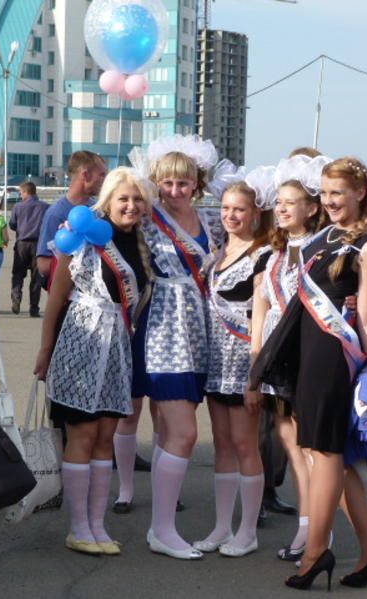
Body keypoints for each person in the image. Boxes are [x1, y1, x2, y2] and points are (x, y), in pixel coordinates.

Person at [252, 157, 367, 591]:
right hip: (305, 354)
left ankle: (315, 553)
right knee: (332, 457)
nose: (329, 201)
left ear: (360, 194)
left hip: (334, 356)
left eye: (338, 193)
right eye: (325, 193)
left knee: (325, 452)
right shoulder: (319, 238)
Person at [34, 167, 154, 556]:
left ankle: (98, 526)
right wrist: (46, 350)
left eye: (137, 199)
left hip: (117, 347)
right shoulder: (86, 237)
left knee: (106, 437)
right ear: (107, 201)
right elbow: (56, 297)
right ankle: (78, 527)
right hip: (81, 341)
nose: (131, 206)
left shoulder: (143, 243)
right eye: (123, 199)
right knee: (82, 434)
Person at [132, 135, 221, 560]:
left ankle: (162, 525)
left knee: (172, 433)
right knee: (184, 433)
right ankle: (162, 529)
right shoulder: (146, 218)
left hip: (202, 332)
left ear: (196, 183)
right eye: (166, 182)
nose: (174, 190)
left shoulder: (213, 220)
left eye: (182, 182)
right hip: (164, 332)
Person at [250, 154, 330, 562]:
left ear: (312, 208)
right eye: (278, 202)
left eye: (290, 203)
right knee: (292, 447)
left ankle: (319, 533)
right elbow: (261, 309)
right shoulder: (273, 253)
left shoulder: (323, 248)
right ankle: (305, 529)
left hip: (307, 355)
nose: (280, 209)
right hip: (276, 358)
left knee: (313, 450)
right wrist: (256, 363)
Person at [193, 164, 274, 558]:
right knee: (222, 444)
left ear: (255, 212)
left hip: (245, 361)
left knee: (245, 445)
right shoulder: (218, 252)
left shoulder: (264, 255)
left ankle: (248, 531)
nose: (230, 215)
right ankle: (222, 526)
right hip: (216, 362)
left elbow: (261, 317)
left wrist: (255, 377)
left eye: (239, 209)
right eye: (226, 208)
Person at [36, 152, 107, 285]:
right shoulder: (56, 214)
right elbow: (44, 266)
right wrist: (81, 260)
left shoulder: (98, 210)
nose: (105, 180)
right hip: (73, 294)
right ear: (85, 175)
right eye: (102, 175)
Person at [9, 181, 49, 315]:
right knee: (36, 276)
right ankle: (34, 308)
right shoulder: (45, 207)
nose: (20, 195)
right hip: (38, 244)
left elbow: (12, 224)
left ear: (26, 192)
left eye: (21, 193)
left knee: (18, 274)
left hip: (22, 244)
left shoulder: (18, 206)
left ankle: (16, 299)